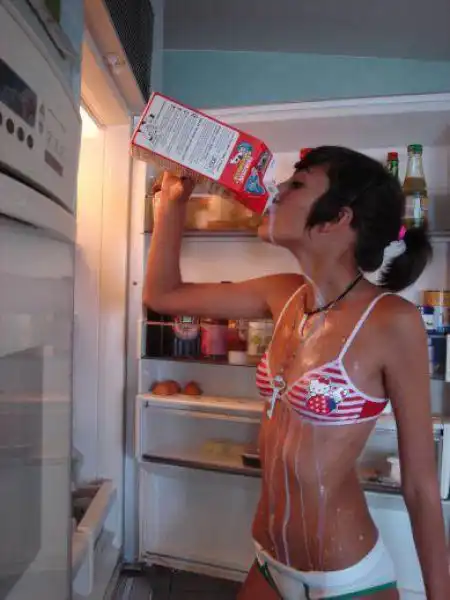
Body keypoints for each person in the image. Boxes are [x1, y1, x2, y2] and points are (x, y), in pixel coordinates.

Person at [143, 146, 450, 599]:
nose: (278, 189)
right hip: (269, 561)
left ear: (337, 218)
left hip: (345, 579)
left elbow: (421, 487)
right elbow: (163, 295)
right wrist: (172, 202)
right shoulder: (282, 294)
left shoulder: (392, 321)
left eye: (297, 183)